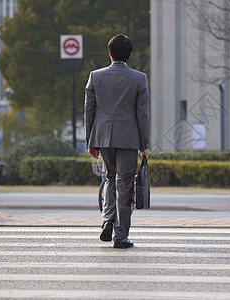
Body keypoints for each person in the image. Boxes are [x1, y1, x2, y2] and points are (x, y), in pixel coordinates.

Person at [85, 34, 150, 249]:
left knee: (109, 178)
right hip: (129, 138)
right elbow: (142, 115)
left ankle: (107, 219)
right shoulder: (139, 78)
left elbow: (89, 111)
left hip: (103, 137)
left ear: (109, 53)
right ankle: (121, 236)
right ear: (129, 54)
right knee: (124, 184)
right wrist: (145, 144)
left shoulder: (95, 76)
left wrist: (90, 142)